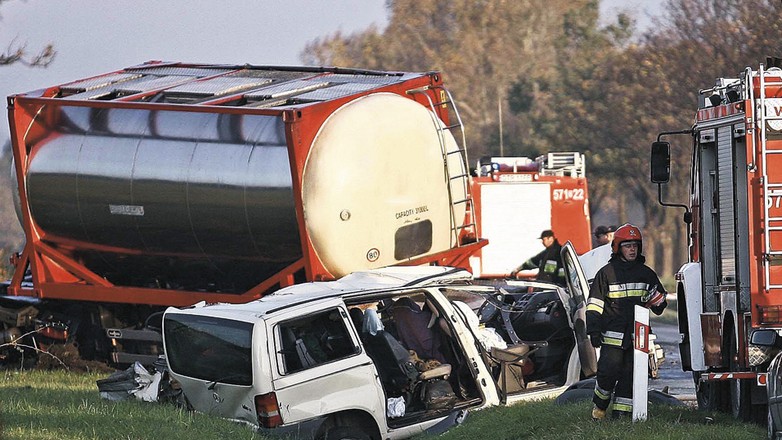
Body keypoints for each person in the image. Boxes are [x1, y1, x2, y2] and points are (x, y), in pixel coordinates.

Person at [585, 223, 667, 420]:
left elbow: (658, 302)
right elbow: (594, 305)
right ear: (618, 248)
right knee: (607, 374)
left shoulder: (646, 273)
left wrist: (658, 300)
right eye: (627, 246)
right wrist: (593, 331)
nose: (632, 250)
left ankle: (622, 414)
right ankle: (600, 407)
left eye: (635, 246)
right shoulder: (606, 273)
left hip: (637, 337)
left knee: (630, 376)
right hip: (612, 336)